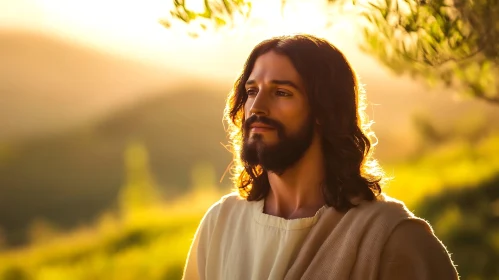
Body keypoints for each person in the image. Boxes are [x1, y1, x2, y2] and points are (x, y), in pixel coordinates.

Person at [182, 34, 459, 280]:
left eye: (281, 93)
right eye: (252, 91)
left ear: (324, 112)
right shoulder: (220, 223)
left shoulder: (391, 238)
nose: (257, 107)